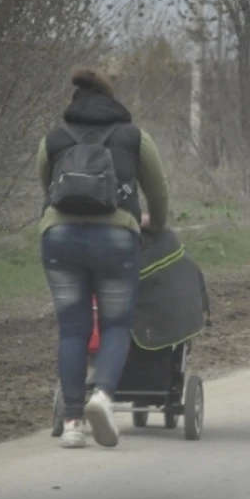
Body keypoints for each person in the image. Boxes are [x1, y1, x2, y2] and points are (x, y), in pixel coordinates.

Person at [37, 67, 169, 449]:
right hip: (117, 235)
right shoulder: (134, 137)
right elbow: (158, 191)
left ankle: (74, 421)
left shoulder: (54, 139)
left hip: (59, 236)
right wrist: (155, 224)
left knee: (73, 328)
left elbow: (47, 187)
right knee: (114, 324)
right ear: (113, 100)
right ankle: (103, 396)